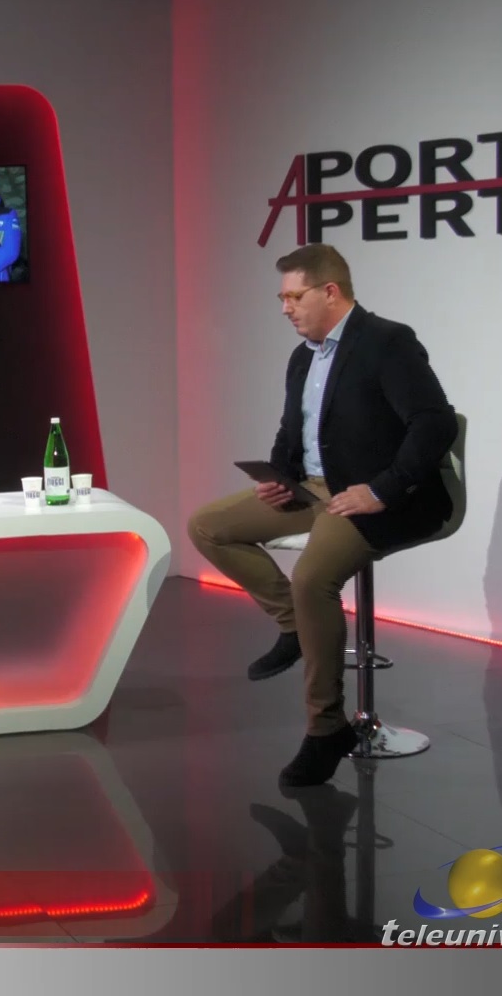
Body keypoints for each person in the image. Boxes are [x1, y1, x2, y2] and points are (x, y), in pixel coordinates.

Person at [187, 244, 457, 787]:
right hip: (311, 488)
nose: (285, 308)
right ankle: (293, 626)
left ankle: (326, 728)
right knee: (208, 526)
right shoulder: (302, 356)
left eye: (294, 297)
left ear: (330, 292)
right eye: (282, 299)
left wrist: (381, 490)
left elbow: (435, 423)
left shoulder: (387, 342)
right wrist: (278, 476)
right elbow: (292, 430)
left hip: (373, 494)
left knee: (311, 578)